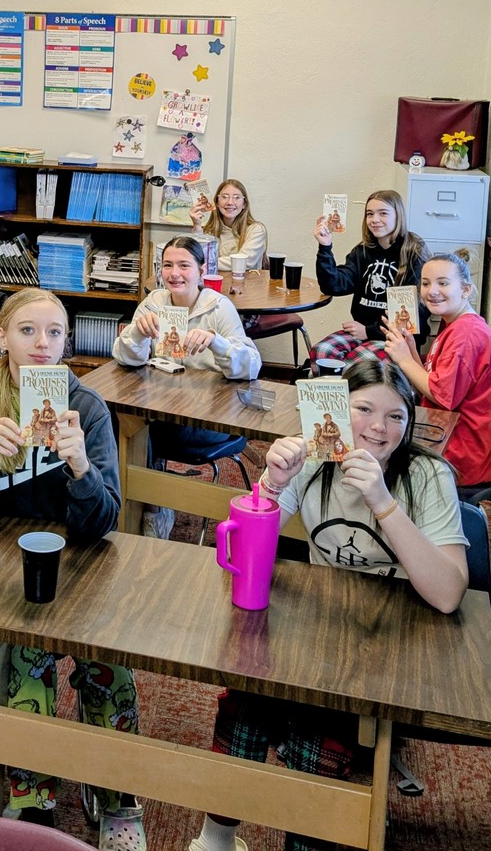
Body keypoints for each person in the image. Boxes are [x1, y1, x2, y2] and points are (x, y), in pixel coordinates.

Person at [187, 358, 468, 851]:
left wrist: (384, 503)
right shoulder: (315, 461)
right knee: (247, 693)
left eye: (396, 416)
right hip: (319, 625)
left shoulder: (427, 476)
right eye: (364, 409)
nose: (379, 428)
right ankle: (216, 836)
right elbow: (239, 560)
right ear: (339, 409)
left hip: (393, 639)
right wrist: (271, 485)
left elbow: (447, 595)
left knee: (320, 726)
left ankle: (314, 831)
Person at [0, 288, 146, 850]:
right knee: (28, 656)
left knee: (111, 664)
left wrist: (79, 467)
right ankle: (32, 799)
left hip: (77, 568)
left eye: (54, 332)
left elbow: (103, 523)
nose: (42, 344)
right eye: (27, 330)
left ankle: (116, 787)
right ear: (1, 338)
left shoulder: (88, 408)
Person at [112, 235, 261, 537]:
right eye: (168, 265)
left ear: (201, 270)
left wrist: (217, 343)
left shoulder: (219, 307)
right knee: (119, 421)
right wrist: (137, 336)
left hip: (211, 418)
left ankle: (152, 506)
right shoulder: (154, 302)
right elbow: (124, 357)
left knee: (139, 430)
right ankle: (138, 504)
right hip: (163, 406)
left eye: (184, 265)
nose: (174, 273)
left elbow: (252, 365)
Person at [384, 252, 491, 497]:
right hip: (450, 434)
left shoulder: (465, 335)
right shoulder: (455, 324)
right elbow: (435, 379)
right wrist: (410, 351)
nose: (432, 291)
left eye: (443, 283)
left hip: (460, 452)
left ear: (465, 290)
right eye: (425, 283)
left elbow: (441, 396)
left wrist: (402, 359)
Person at [311, 189, 429, 373]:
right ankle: (332, 400)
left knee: (355, 367)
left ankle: (354, 401)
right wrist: (325, 247)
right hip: (362, 333)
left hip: (395, 340)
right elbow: (333, 285)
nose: (374, 219)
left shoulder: (414, 253)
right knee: (321, 353)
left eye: (383, 213)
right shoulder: (362, 251)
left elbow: (413, 318)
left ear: (398, 216)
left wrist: (369, 331)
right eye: (369, 214)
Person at [190, 179, 267, 272]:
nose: (230, 202)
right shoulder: (210, 231)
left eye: (237, 197)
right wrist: (197, 226)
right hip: (215, 284)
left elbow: (245, 262)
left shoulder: (256, 229)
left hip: (247, 284)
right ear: (217, 203)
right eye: (225, 197)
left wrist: (205, 263)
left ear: (244, 204)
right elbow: (196, 256)